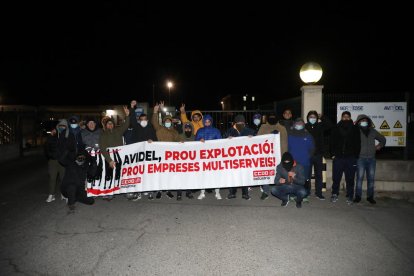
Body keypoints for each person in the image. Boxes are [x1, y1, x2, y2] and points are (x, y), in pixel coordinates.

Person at [99, 106, 130, 200]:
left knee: (122, 174)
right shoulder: (103, 135)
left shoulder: (118, 131)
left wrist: (127, 115)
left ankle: (125, 191)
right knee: (111, 175)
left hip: (120, 156)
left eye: (111, 123)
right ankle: (110, 192)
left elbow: (126, 125)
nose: (110, 125)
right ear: (105, 125)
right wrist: (110, 160)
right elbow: (102, 148)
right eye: (108, 124)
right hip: (110, 158)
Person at [152, 102, 182, 199]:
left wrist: (181, 142)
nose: (167, 122)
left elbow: (178, 140)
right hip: (160, 154)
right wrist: (155, 112)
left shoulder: (174, 131)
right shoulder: (159, 129)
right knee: (160, 173)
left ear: (171, 122)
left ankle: (168, 190)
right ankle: (159, 191)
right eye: (166, 121)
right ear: (164, 122)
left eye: (169, 121)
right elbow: (154, 122)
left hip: (170, 155)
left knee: (169, 173)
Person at [354, 114, 386, 204]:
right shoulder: (356, 131)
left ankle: (370, 197)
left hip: (371, 159)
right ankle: (358, 196)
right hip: (360, 158)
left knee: (371, 179)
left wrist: (379, 146)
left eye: (365, 120)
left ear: (368, 121)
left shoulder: (373, 131)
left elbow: (383, 139)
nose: (364, 122)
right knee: (359, 178)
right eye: (362, 120)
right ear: (358, 122)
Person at [330, 111, 361, 204]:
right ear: (341, 118)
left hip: (351, 158)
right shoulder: (336, 128)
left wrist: (356, 155)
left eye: (348, 117)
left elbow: (358, 143)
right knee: (336, 178)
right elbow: (332, 142)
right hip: (338, 157)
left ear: (350, 118)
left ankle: (350, 195)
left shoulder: (355, 128)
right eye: (344, 117)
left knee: (350, 178)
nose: (346, 118)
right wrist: (332, 154)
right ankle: (335, 194)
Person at [257, 112, 288, 200]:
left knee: (279, 173)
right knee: (266, 173)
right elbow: (258, 140)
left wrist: (284, 156)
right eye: (270, 117)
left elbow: (284, 143)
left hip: (279, 156)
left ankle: (281, 191)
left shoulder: (282, 128)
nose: (272, 118)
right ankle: (265, 192)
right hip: (266, 156)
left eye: (274, 117)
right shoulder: (263, 127)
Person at [224, 114, 255, 200]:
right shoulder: (229, 131)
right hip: (233, 158)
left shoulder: (250, 131)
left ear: (244, 123)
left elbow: (257, 142)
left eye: (241, 122)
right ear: (235, 122)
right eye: (238, 122)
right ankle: (232, 193)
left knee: (244, 175)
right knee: (233, 175)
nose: (240, 123)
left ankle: (245, 193)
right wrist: (227, 138)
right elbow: (222, 142)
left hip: (245, 158)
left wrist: (253, 138)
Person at [305, 111, 333, 200]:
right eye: (310, 117)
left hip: (318, 154)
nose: (312, 118)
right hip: (307, 155)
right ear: (308, 118)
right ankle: (306, 192)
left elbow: (330, 125)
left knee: (319, 175)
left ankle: (318, 193)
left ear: (317, 118)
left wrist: (322, 117)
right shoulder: (305, 127)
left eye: (314, 117)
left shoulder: (320, 126)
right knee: (307, 175)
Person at [195, 114, 223, 200]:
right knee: (203, 174)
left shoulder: (216, 131)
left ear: (211, 122)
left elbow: (221, 142)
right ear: (203, 122)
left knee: (215, 174)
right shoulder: (200, 131)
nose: (207, 123)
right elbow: (194, 142)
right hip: (203, 157)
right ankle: (202, 192)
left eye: (208, 121)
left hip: (214, 157)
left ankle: (217, 192)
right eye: (205, 122)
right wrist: (199, 140)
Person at [287, 118, 315, 201]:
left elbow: (312, 148)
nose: (299, 125)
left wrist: (307, 156)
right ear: (294, 124)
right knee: (292, 179)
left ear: (303, 125)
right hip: (293, 163)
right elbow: (287, 148)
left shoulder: (308, 135)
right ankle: (292, 194)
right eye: (297, 123)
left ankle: (305, 195)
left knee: (305, 179)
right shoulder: (290, 135)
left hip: (305, 162)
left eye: (301, 123)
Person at [44, 125, 66, 203]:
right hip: (53, 161)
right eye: (60, 127)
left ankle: (63, 193)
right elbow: (47, 148)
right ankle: (51, 194)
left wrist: (64, 157)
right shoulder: (51, 137)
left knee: (63, 178)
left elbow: (67, 148)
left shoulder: (66, 135)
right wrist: (51, 156)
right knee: (52, 178)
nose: (61, 128)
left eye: (64, 127)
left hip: (62, 160)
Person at [176, 122, 196, 200]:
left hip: (190, 161)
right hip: (180, 161)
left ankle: (188, 192)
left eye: (189, 128)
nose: (188, 129)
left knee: (189, 177)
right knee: (180, 177)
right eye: (186, 128)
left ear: (192, 129)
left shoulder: (194, 137)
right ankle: (179, 193)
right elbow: (172, 146)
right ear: (184, 129)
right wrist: (178, 143)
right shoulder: (180, 136)